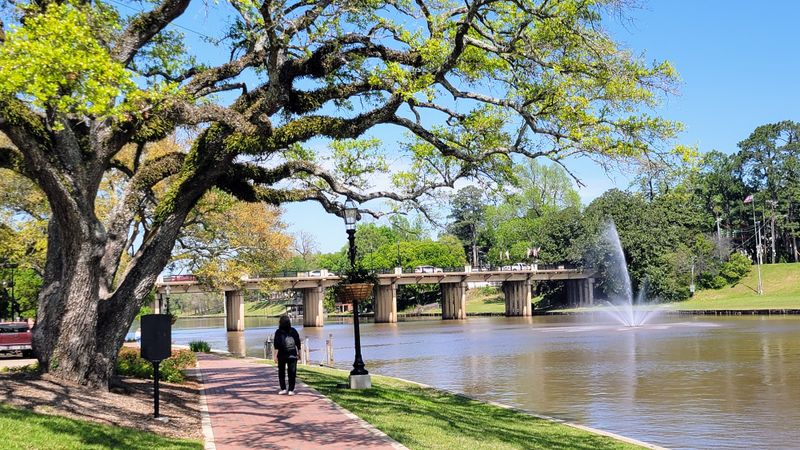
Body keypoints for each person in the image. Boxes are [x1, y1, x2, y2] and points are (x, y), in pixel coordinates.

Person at [273, 315, 301, 396]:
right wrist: (299, 353)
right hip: (292, 354)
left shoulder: (278, 332)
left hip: (281, 355)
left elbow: (276, 345)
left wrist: (275, 356)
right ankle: (291, 390)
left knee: (281, 372)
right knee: (292, 372)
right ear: (289, 322)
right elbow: (298, 343)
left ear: (280, 323)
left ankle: (283, 389)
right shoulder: (293, 331)